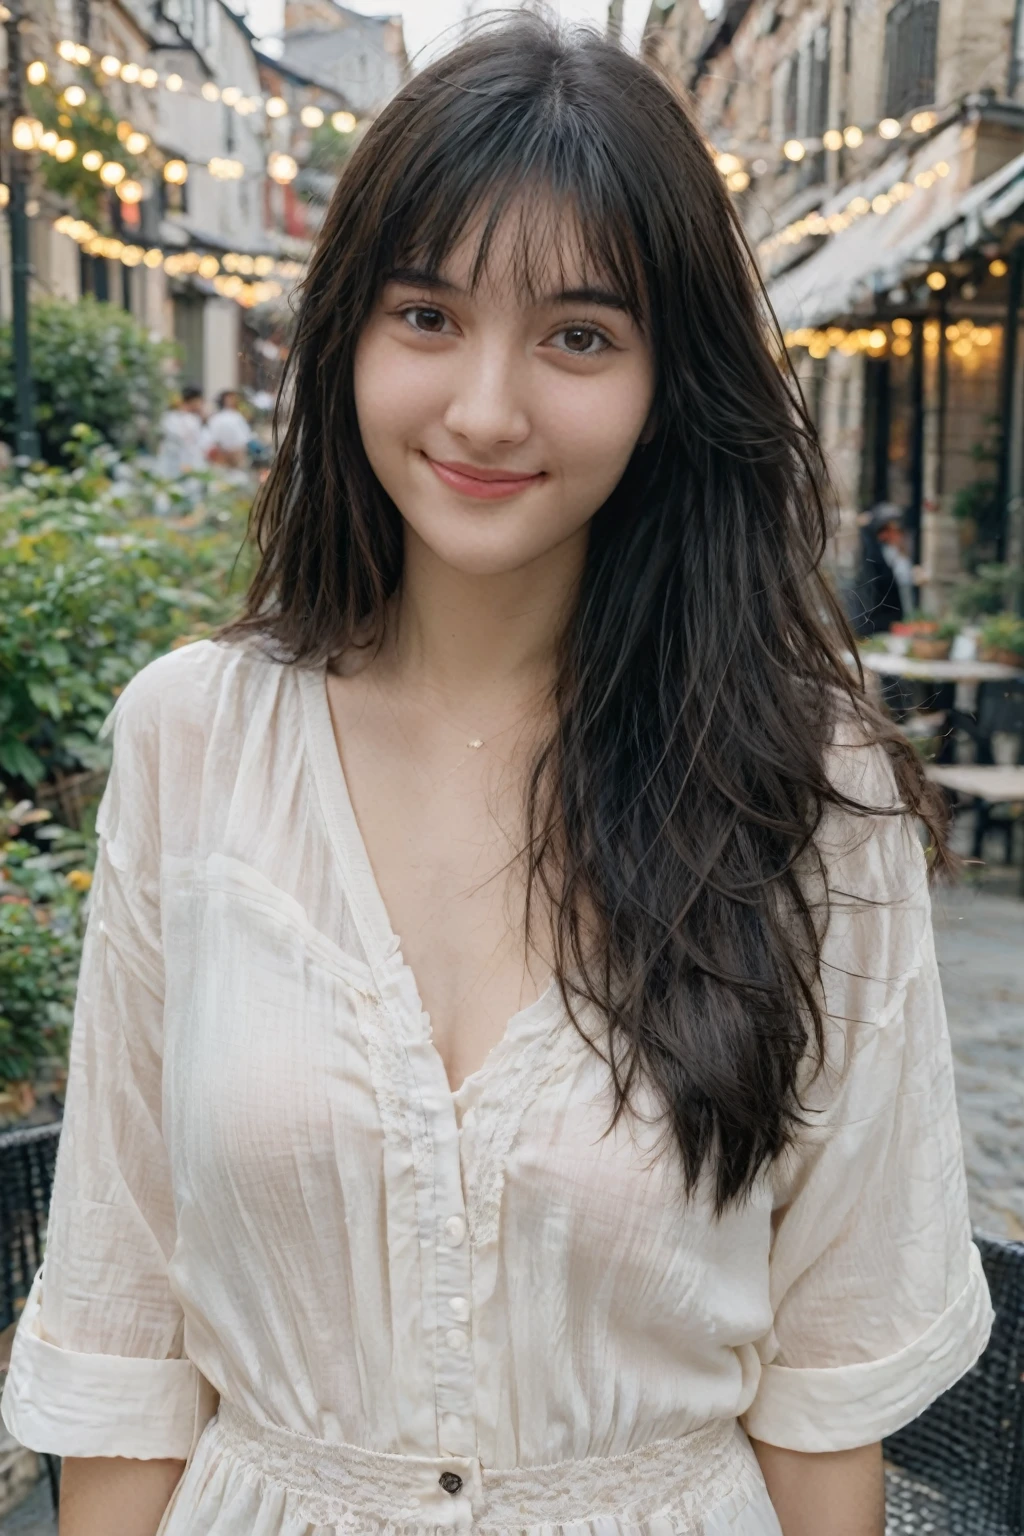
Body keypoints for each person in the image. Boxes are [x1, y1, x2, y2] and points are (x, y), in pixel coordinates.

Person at [2, 19, 991, 1536]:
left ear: (670, 383)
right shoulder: (190, 738)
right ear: (344, 337)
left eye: (579, 335)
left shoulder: (811, 791)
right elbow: (125, 1328)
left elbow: (827, 1380)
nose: (484, 408)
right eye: (427, 315)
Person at [155, 384, 206, 478]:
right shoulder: (172, 418)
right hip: (174, 469)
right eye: (200, 401)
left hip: (190, 468)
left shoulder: (193, 419)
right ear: (193, 401)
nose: (201, 405)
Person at [202, 389, 252, 469]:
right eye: (229, 399)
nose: (233, 401)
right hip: (222, 453)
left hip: (238, 451)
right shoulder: (216, 418)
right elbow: (213, 438)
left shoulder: (237, 416)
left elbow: (245, 436)